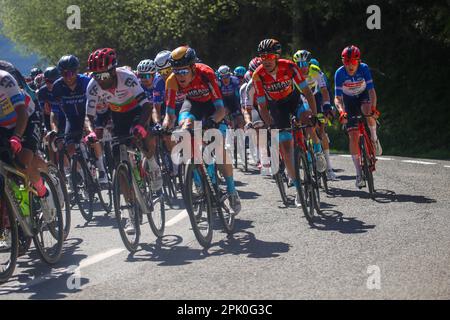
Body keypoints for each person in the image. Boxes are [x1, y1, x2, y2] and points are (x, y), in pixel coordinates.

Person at [163, 45, 241, 214]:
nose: (180, 76)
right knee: (184, 131)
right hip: (193, 105)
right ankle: (199, 183)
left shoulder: (206, 73)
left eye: (183, 71)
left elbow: (220, 109)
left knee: (218, 145)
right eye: (176, 72)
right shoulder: (171, 80)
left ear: (192, 67)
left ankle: (231, 190)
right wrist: (165, 128)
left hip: (213, 106)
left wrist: (213, 121)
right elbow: (169, 115)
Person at [85, 48, 162, 195]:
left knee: (142, 135)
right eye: (96, 76)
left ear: (113, 71)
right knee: (116, 157)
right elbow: (89, 116)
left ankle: (153, 165)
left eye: (104, 75)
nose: (100, 79)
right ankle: (131, 203)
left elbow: (147, 106)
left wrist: (141, 126)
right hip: (117, 114)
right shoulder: (92, 86)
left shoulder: (127, 77)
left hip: (136, 110)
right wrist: (92, 132)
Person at [252, 39, 318, 207]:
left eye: (269, 56)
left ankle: (316, 151)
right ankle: (298, 189)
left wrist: (314, 115)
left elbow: (307, 92)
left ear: (276, 56)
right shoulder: (258, 75)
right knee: (286, 148)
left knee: (307, 121)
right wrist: (269, 124)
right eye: (262, 57)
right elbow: (262, 104)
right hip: (276, 107)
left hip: (293, 100)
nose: (265, 60)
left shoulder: (289, 66)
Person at [334, 45, 382, 189]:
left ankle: (374, 138)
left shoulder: (364, 68)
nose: (350, 65)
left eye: (353, 62)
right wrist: (342, 111)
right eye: (346, 62)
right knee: (353, 136)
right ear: (343, 62)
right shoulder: (339, 73)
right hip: (348, 101)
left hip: (362, 96)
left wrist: (374, 108)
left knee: (368, 111)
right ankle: (358, 173)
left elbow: (372, 91)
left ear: (358, 61)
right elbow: (337, 98)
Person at [293, 49, 337, 180]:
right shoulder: (293, 73)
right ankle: (309, 162)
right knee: (305, 126)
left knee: (321, 128)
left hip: (316, 96)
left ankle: (328, 167)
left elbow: (324, 91)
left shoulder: (315, 71)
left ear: (309, 63)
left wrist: (327, 105)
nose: (302, 68)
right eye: (299, 65)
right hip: (302, 97)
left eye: (304, 64)